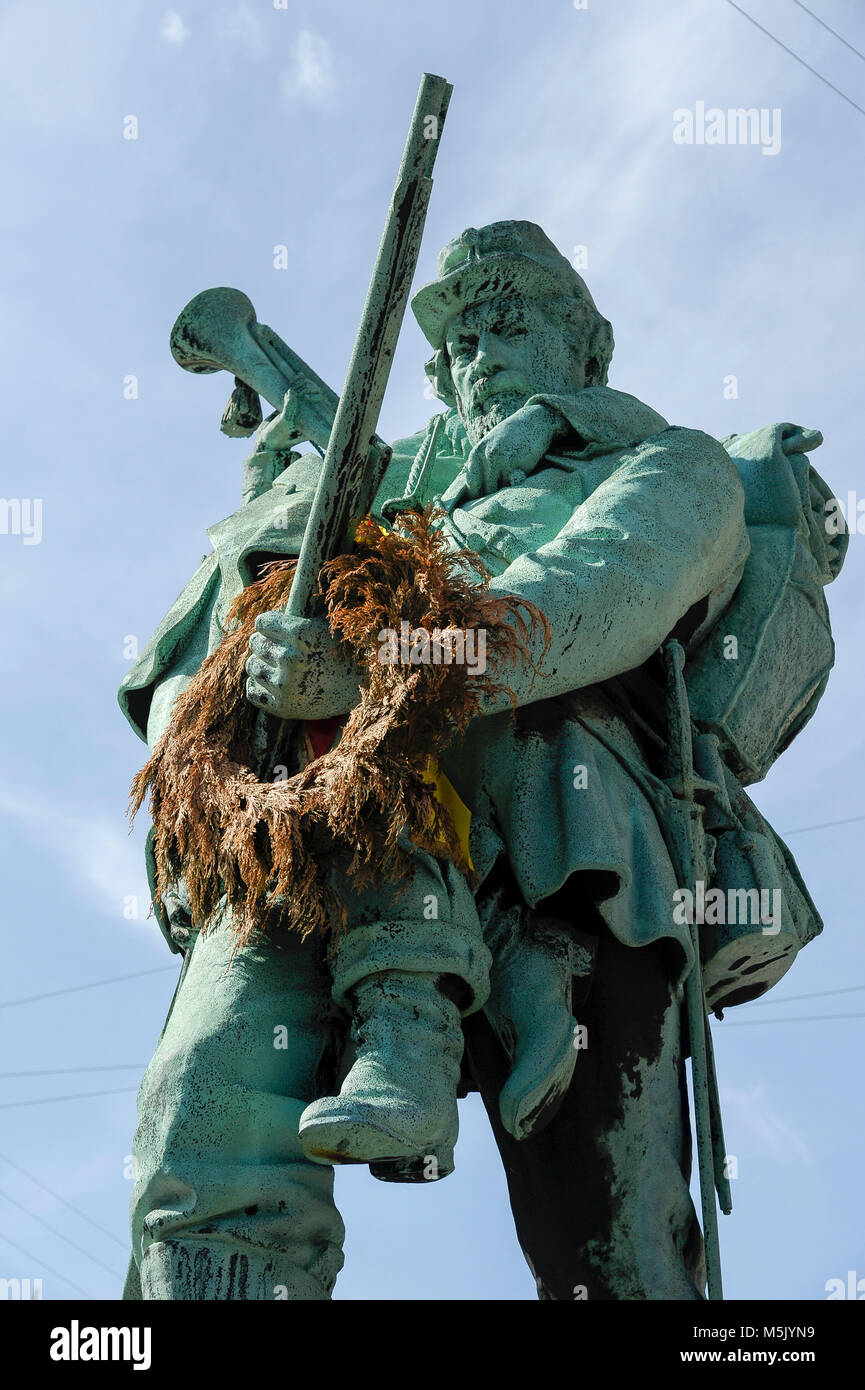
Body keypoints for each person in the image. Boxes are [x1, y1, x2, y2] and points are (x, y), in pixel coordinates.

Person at [121, 221, 833, 1300]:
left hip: (563, 849)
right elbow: (211, 633)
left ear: (586, 347)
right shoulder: (376, 484)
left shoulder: (671, 464)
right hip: (314, 829)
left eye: (508, 320)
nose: (475, 353)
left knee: (609, 1252)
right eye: (454, 343)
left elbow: (591, 595)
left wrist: (383, 673)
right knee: (199, 1125)